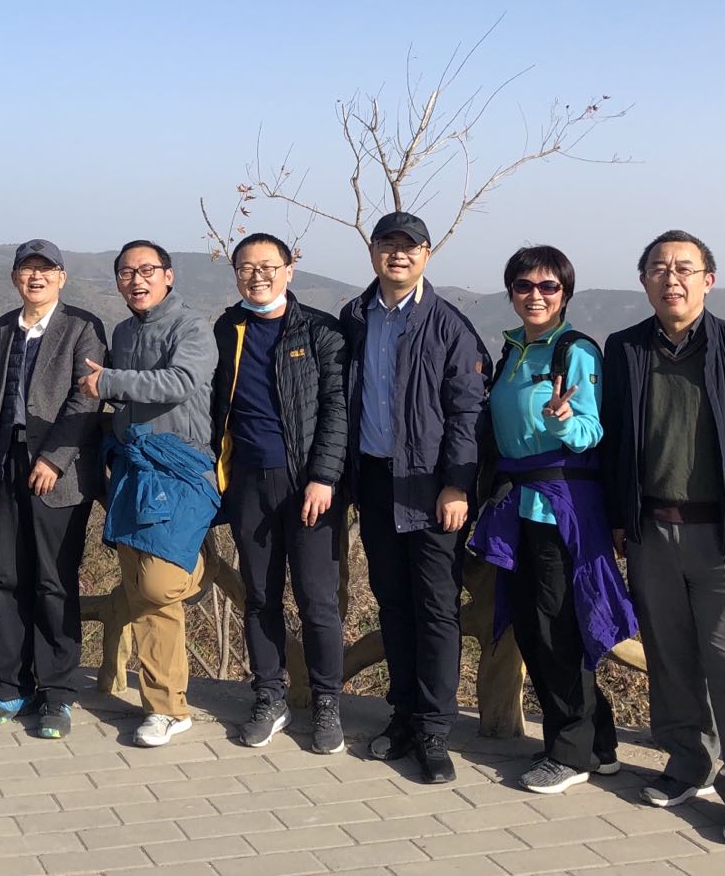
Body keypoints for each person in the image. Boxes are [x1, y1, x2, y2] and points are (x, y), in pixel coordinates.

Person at [602, 230, 725, 847]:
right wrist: (618, 516)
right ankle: (688, 763)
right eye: (659, 268)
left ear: (708, 281)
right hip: (651, 529)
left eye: (685, 268)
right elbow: (615, 441)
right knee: (669, 659)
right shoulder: (624, 349)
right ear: (644, 280)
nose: (672, 279)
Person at [467, 245, 636, 794]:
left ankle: (569, 753)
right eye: (524, 285)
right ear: (511, 292)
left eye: (548, 287)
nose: (535, 295)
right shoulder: (513, 348)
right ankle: (599, 744)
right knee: (532, 625)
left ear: (565, 293)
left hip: (560, 505)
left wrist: (564, 419)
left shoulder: (575, 351)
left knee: (557, 628)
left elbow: (591, 430)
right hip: (517, 504)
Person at [341, 211, 488, 783]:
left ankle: (433, 728)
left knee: (436, 608)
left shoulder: (449, 326)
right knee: (394, 603)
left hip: (430, 487)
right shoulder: (356, 317)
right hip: (376, 482)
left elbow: (467, 411)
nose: (398, 254)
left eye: (410, 246)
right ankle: (402, 714)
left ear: (427, 254)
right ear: (373, 251)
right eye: (388, 244)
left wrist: (457, 483)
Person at [208, 233, 348, 754]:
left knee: (317, 600)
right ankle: (269, 695)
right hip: (248, 480)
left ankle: (327, 701)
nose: (257, 275)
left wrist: (324, 477)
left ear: (290, 270)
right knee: (260, 596)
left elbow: (337, 409)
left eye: (268, 266)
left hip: (309, 484)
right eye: (246, 267)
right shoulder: (228, 328)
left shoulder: (319, 330)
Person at [0, 239, 106, 739]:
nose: (36, 277)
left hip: (57, 472)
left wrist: (53, 459)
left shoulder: (83, 327)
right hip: (6, 463)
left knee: (53, 580)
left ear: (62, 277)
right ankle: (10, 686)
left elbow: (85, 402)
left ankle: (57, 692)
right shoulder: (3, 327)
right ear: (15, 277)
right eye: (27, 269)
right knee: (8, 577)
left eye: (46, 269)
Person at [79, 239, 219, 748]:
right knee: (143, 593)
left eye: (147, 270)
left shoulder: (192, 326)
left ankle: (200, 568)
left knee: (158, 586)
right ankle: (165, 708)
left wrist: (110, 382)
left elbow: (179, 382)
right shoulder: (122, 331)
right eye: (126, 272)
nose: (136, 280)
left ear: (169, 275)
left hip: (180, 468)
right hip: (133, 469)